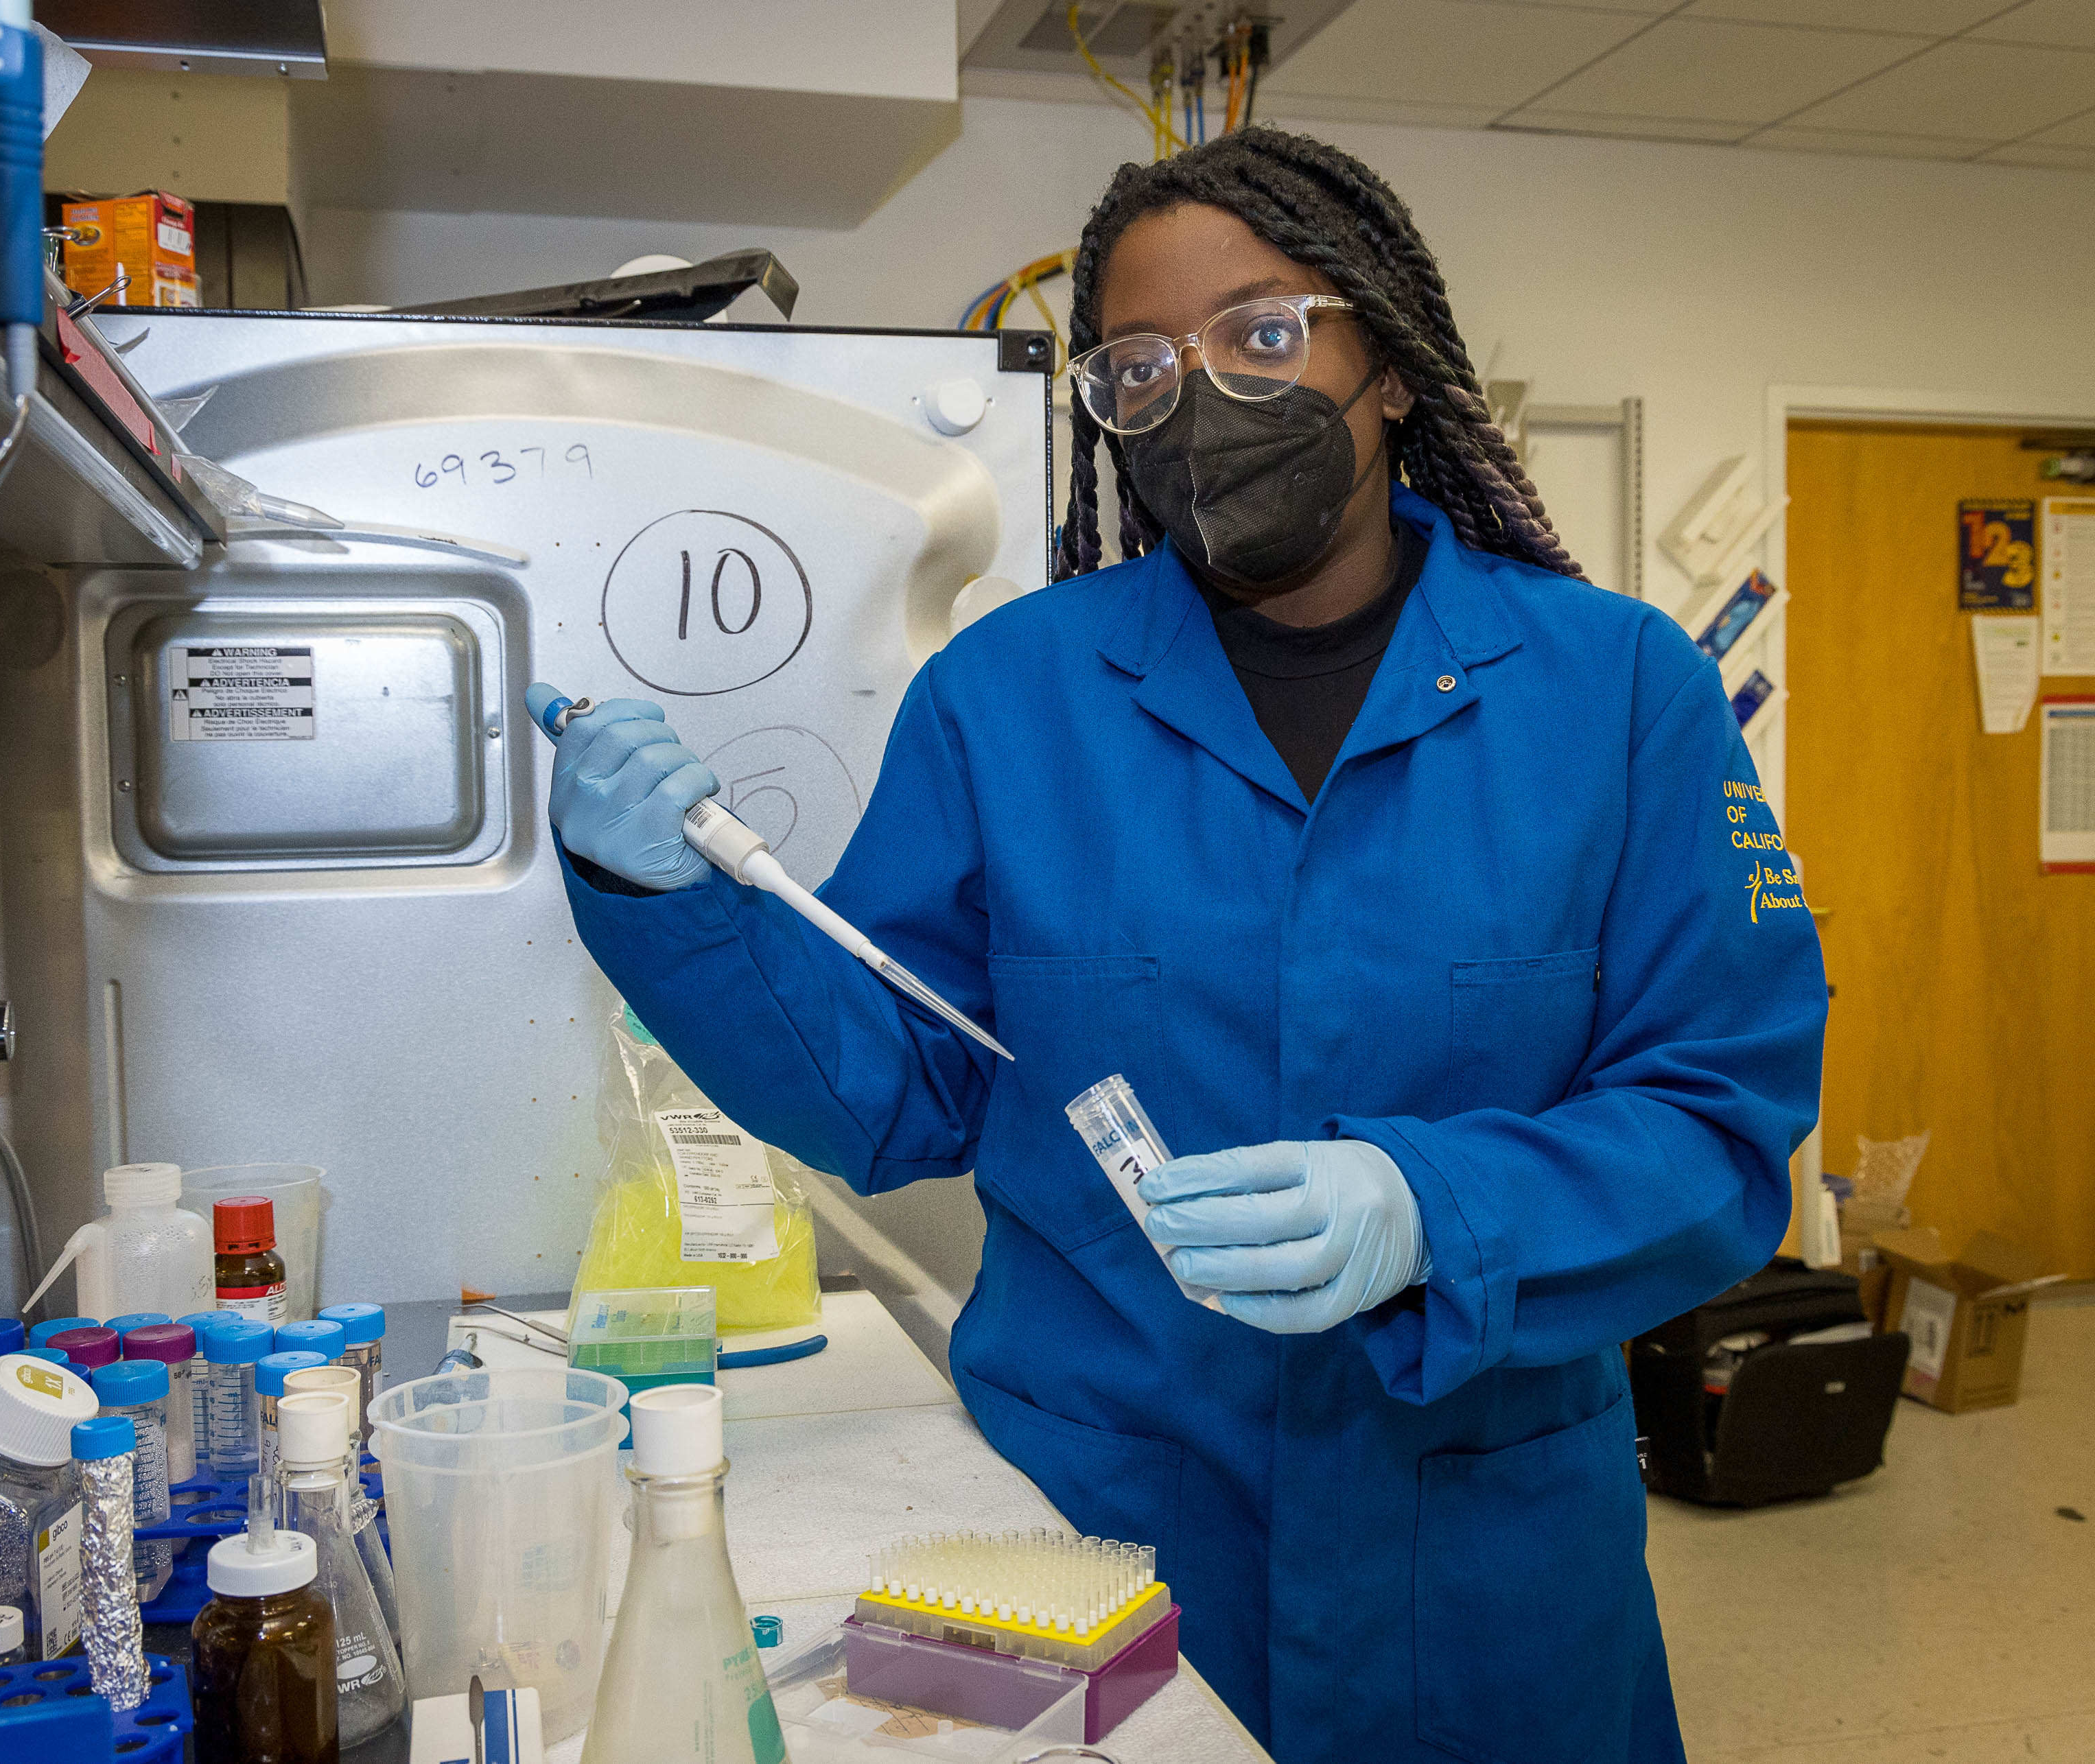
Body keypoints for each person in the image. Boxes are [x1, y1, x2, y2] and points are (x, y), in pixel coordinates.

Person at [526, 128, 1826, 1764]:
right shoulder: (1009, 700)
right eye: (1136, 368)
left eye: (1263, 336)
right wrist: (667, 900)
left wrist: (1438, 1204)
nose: (1197, 396)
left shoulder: (1619, 691)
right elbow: (892, 1086)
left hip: (1481, 1560)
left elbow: (1717, 1123)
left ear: (1395, 366)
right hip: (1088, 1534)